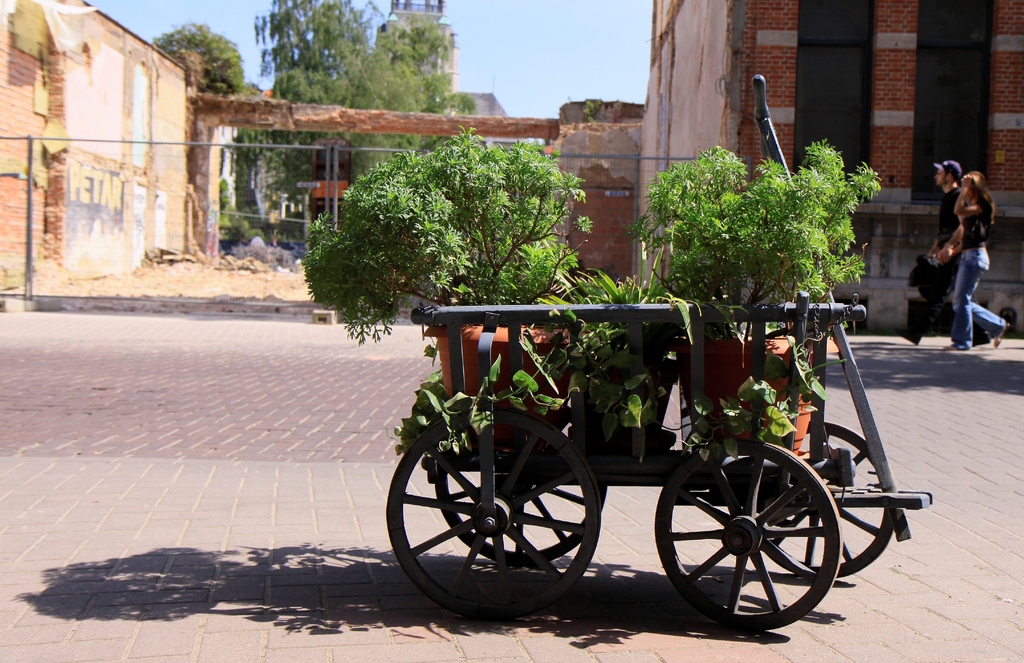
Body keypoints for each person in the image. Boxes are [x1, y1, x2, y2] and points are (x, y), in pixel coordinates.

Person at [939, 171, 1008, 351]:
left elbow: (958, 211)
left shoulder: (983, 206)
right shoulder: (973, 209)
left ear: (974, 187)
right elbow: (963, 229)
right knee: (962, 300)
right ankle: (998, 325)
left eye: (969, 187)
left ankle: (962, 342)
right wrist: (950, 247)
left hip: (976, 257)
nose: (966, 191)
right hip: (969, 256)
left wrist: (963, 190)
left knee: (961, 299)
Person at [897, 160, 962, 345]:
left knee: (939, 294)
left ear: (949, 176)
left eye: (939, 172)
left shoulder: (958, 196)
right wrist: (934, 249)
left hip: (952, 253)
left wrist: (950, 248)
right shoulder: (947, 196)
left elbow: (962, 227)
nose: (936, 176)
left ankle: (917, 332)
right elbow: (944, 229)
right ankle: (982, 331)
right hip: (943, 249)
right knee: (944, 293)